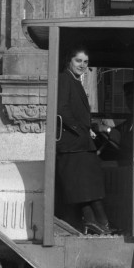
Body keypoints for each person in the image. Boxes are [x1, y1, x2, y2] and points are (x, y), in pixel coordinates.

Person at [56, 47, 112, 235]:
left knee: (87, 186)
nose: (82, 65)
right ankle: (100, 223)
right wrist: (82, 130)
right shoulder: (65, 79)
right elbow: (62, 108)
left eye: (85, 62)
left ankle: (95, 222)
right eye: (78, 61)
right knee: (86, 186)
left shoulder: (74, 81)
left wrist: (90, 129)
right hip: (74, 144)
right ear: (69, 61)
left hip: (79, 143)